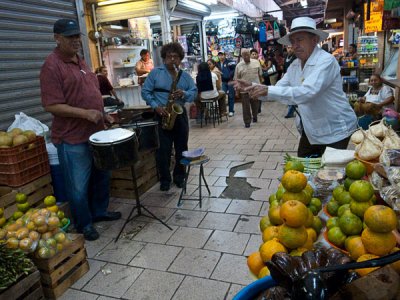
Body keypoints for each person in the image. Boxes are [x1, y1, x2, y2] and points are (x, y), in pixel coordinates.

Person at [40, 19, 121, 241]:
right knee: (77, 186)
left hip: (96, 134)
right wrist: (85, 114)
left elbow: (90, 93)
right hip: (72, 138)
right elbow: (51, 105)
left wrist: (101, 114)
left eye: (77, 36)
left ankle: (99, 212)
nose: (76, 40)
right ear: (57, 38)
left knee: (101, 176)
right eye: (70, 37)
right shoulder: (51, 66)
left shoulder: (81, 61)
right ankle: (84, 224)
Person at [233, 17, 357, 157]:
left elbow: (308, 92)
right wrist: (253, 87)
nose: (295, 45)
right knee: (303, 168)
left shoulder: (326, 61)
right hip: (312, 129)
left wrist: (268, 90)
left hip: (335, 129)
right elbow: (279, 89)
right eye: (293, 41)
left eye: (300, 40)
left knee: (330, 173)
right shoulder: (295, 65)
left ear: (314, 40)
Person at [141, 42, 197, 191]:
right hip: (162, 114)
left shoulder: (184, 76)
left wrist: (184, 93)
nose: (172, 59)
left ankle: (180, 177)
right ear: (164, 57)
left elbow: (194, 92)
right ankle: (165, 179)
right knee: (162, 151)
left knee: (181, 149)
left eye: (176, 57)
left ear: (180, 59)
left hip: (179, 116)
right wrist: (156, 107)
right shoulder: (155, 73)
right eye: (169, 56)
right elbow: (145, 92)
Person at [234, 48, 263, 128]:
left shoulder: (256, 62)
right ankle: (247, 121)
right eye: (244, 55)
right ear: (242, 56)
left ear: (249, 54)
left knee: (255, 104)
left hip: (255, 87)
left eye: (247, 54)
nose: (246, 56)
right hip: (244, 89)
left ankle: (255, 116)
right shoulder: (238, 66)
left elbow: (260, 75)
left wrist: (261, 85)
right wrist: (237, 91)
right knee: (245, 106)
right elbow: (237, 79)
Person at [216, 51, 236, 117]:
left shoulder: (230, 62)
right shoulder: (217, 63)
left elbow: (233, 70)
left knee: (231, 95)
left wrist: (227, 76)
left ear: (224, 55)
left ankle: (231, 111)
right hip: (223, 82)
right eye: (219, 55)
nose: (220, 56)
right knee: (222, 95)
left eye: (222, 55)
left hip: (230, 81)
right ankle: (223, 111)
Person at [283, 46, 296, 118]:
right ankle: (291, 109)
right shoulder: (286, 57)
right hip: (287, 78)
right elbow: (284, 67)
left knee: (291, 95)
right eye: (288, 48)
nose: (290, 49)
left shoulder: (296, 57)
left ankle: (290, 111)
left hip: (294, 78)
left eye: (291, 48)